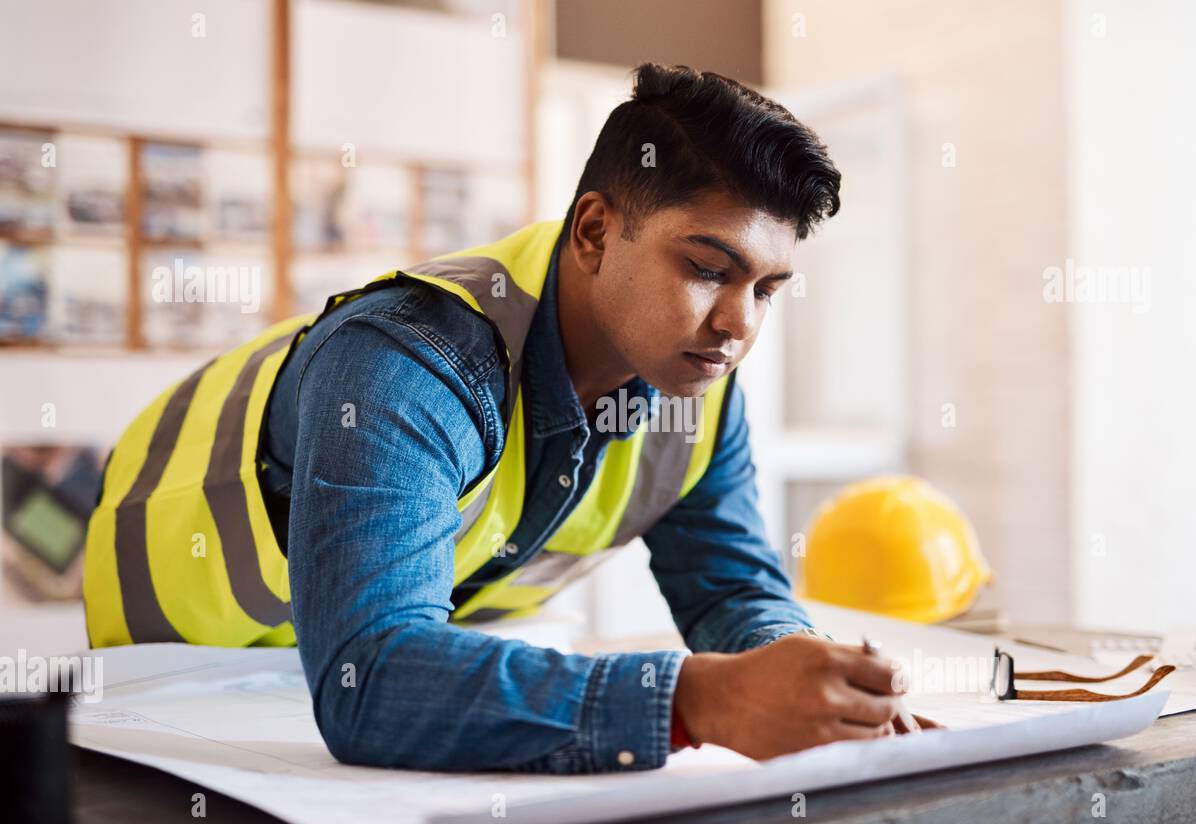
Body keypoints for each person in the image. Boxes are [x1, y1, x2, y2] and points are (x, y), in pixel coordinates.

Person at [84, 62, 939, 775]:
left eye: (766, 289)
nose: (738, 325)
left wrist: (813, 678)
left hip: (349, 696)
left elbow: (732, 589)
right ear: (596, 231)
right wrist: (696, 699)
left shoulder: (696, 393)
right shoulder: (406, 362)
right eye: (708, 267)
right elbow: (367, 679)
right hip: (178, 681)